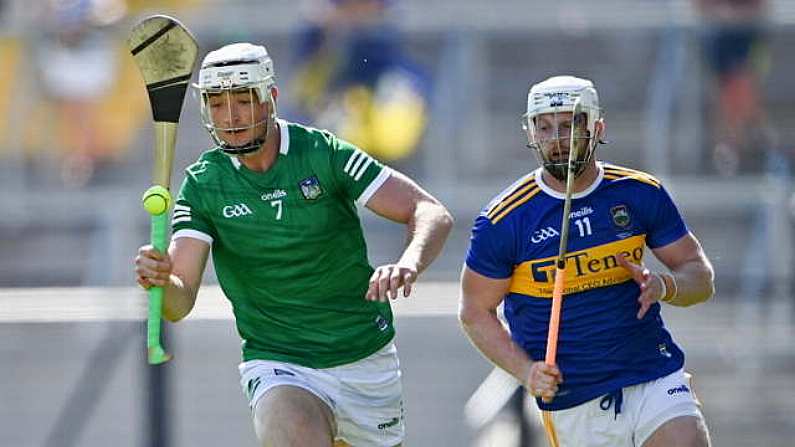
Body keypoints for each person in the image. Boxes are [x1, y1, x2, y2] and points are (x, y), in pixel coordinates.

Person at [134, 42, 453, 447]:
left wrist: (409, 262)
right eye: (216, 103)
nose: (230, 116)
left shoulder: (323, 153)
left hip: (364, 355)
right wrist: (159, 282)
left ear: (271, 98)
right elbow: (179, 304)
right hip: (279, 362)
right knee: (292, 432)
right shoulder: (203, 185)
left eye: (243, 100)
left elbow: (429, 212)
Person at [459, 75, 715, 447]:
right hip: (573, 398)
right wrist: (526, 371)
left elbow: (700, 276)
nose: (556, 140)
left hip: (651, 373)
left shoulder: (639, 193)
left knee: (686, 439)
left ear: (596, 127)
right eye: (544, 128)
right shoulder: (504, 219)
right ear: (530, 132)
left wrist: (665, 286)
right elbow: (474, 312)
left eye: (568, 126)